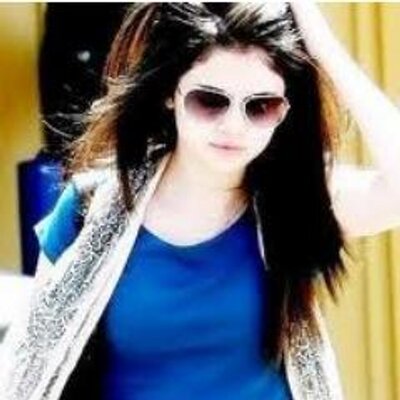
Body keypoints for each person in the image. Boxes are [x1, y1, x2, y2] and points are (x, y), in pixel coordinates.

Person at [2, 2, 400, 399]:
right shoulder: (89, 210)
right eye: (210, 100)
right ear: (169, 94)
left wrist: (323, 47)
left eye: (261, 106)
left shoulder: (297, 200)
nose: (234, 126)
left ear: (285, 110)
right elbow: (30, 366)